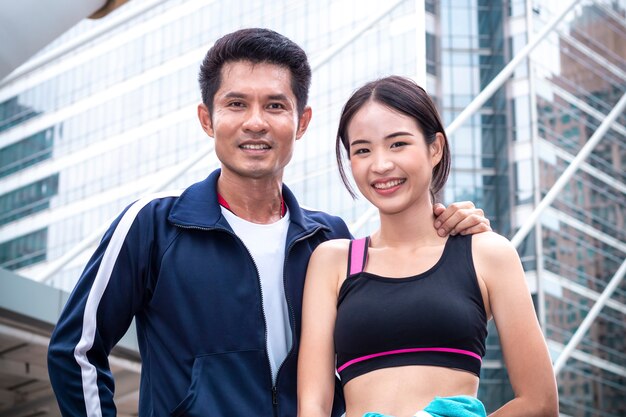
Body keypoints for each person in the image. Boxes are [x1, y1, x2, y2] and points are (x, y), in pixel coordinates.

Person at [47, 29, 491, 417]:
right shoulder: (153, 226)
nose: (255, 122)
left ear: (301, 122)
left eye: (275, 105)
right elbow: (76, 351)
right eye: (236, 104)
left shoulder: (331, 240)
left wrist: (449, 223)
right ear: (207, 119)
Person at [297, 76, 558, 417]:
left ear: (435, 148)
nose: (380, 165)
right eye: (362, 150)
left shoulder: (488, 253)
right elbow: (313, 405)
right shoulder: (333, 261)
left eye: (398, 144)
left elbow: (540, 403)